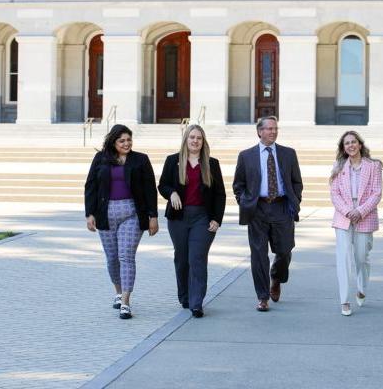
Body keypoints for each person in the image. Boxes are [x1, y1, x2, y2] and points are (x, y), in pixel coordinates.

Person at [84, 124, 159, 319]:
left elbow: (150, 188)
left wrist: (153, 216)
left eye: (129, 140)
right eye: (122, 141)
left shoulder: (140, 160)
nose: (127, 143)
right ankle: (118, 292)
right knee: (112, 258)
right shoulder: (101, 158)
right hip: (105, 214)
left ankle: (126, 302)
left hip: (132, 214)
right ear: (113, 142)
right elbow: (90, 185)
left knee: (126, 256)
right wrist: (89, 214)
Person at [232, 116, 303, 311]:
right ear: (259, 132)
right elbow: (238, 185)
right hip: (257, 209)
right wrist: (246, 203)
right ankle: (262, 296)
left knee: (285, 250)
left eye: (275, 128)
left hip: (282, 207)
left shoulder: (289, 154)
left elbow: (297, 181)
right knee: (258, 254)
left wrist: (295, 201)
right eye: (269, 129)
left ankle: (276, 277)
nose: (273, 131)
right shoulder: (246, 156)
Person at [158, 125, 226, 318]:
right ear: (186, 139)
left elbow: (220, 194)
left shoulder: (212, 164)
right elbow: (162, 184)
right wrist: (171, 193)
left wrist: (216, 219)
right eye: (192, 137)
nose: (195, 141)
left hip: (202, 218)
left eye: (199, 138)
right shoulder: (173, 161)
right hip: (178, 217)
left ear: (203, 142)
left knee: (197, 258)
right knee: (182, 258)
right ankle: (185, 296)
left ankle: (197, 303)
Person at [329, 131, 383, 316]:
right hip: (343, 216)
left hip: (365, 214)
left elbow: (377, 193)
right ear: (343, 148)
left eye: (354, 142)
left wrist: (359, 211)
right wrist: (347, 211)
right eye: (347, 143)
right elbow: (334, 193)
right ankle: (344, 300)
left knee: (361, 258)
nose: (350, 145)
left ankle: (361, 288)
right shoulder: (338, 166)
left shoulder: (374, 166)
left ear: (360, 145)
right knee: (343, 258)